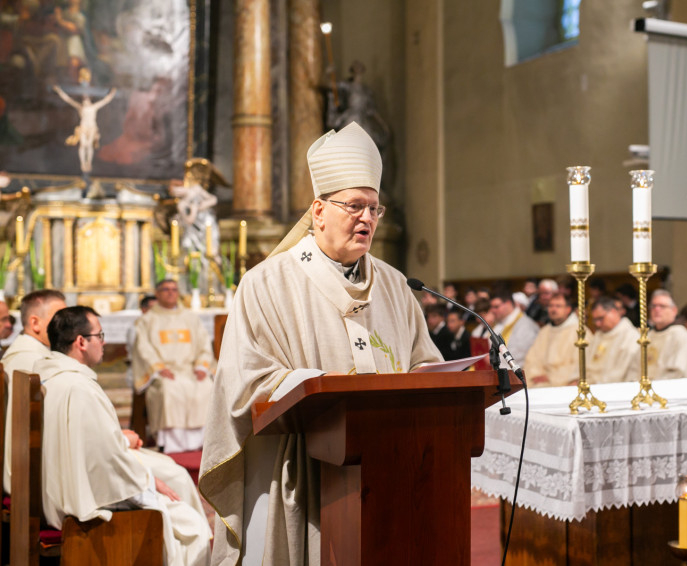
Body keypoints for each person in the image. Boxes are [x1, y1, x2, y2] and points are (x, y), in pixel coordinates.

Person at [199, 121, 441, 564]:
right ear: (318, 210)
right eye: (355, 206)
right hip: (301, 466)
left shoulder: (395, 285)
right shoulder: (266, 283)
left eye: (374, 208)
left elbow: (423, 362)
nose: (367, 218)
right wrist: (324, 387)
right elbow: (245, 382)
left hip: (389, 464)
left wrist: (430, 378)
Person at [36, 306, 210, 566]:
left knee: (170, 477)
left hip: (61, 488)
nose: (104, 342)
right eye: (99, 335)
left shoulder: (51, 375)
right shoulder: (79, 388)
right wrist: (148, 481)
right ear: (81, 342)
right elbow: (105, 462)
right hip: (83, 502)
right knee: (193, 527)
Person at [133, 279, 214, 453]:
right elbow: (143, 348)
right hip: (165, 371)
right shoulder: (147, 320)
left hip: (190, 369)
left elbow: (204, 344)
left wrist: (201, 367)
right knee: (169, 389)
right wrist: (159, 368)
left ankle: (203, 441)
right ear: (157, 293)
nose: (171, 293)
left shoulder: (191, 318)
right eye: (166, 289)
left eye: (174, 289)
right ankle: (172, 444)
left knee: (206, 386)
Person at [2, 289, 67, 494]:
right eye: (59, 319)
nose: (67, 326)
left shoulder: (28, 353)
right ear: (35, 323)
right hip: (30, 472)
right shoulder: (32, 362)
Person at [524, 292, 580, 387]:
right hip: (540, 384)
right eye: (551, 306)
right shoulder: (544, 332)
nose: (553, 309)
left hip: (564, 385)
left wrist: (551, 377)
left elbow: (579, 365)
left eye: (558, 306)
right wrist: (536, 374)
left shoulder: (579, 332)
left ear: (568, 309)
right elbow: (531, 360)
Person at [647, 290, 687, 380]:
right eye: (653, 306)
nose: (656, 309)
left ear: (674, 310)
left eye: (662, 306)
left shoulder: (681, 336)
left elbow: (678, 372)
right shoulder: (648, 336)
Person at [586, 296, 640, 384]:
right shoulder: (598, 335)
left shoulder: (630, 336)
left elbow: (622, 373)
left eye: (600, 318)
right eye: (595, 320)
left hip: (613, 388)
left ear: (613, 312)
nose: (598, 324)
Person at [489, 287, 539, 366]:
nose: (492, 311)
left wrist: (491, 360)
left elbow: (519, 356)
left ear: (508, 303)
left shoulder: (526, 325)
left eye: (496, 307)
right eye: (491, 307)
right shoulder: (499, 323)